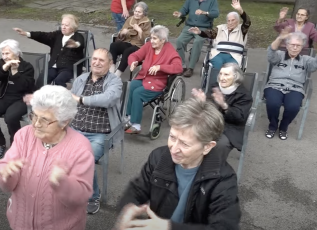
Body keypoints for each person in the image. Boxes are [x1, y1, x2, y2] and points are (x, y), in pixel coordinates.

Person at [115, 98, 241, 230]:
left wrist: (169, 227)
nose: (173, 149)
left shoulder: (223, 178)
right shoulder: (158, 157)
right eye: (172, 137)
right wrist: (128, 207)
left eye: (184, 144)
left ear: (207, 147)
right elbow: (137, 189)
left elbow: (226, 226)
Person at [0, 85, 94, 230]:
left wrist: (62, 182)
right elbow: (4, 177)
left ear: (64, 121)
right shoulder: (24, 135)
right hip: (20, 224)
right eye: (34, 115)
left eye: (45, 120)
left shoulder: (80, 148)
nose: (36, 124)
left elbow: (81, 197)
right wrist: (4, 173)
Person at [70, 48, 123, 214]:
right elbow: (70, 100)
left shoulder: (115, 82)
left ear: (110, 64)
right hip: (74, 129)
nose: (97, 62)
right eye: (94, 59)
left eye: (101, 60)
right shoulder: (81, 79)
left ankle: (92, 196)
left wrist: (81, 99)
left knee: (85, 159)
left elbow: (108, 99)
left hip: (99, 134)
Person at [0, 39, 35, 159]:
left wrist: (15, 72)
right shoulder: (2, 63)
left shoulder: (27, 67)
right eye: (3, 53)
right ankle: (0, 143)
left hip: (21, 98)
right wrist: (4, 68)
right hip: (4, 95)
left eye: (7, 53)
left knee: (11, 117)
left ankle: (16, 145)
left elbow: (25, 86)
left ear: (16, 53)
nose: (4, 56)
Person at [125, 25, 182, 134]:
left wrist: (160, 67)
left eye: (155, 39)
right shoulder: (148, 46)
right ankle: (129, 116)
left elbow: (178, 67)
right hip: (144, 77)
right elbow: (135, 55)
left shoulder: (170, 51)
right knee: (132, 85)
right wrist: (133, 62)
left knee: (138, 93)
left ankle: (136, 125)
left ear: (163, 40)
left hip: (157, 83)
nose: (152, 41)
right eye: (151, 38)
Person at [264, 28, 317, 140]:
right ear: (287, 45)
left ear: (302, 47)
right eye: (292, 44)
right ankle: (273, 126)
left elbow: (314, 65)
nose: (294, 47)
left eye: (298, 45)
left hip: (295, 88)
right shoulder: (278, 55)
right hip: (275, 85)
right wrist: (279, 38)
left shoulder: (305, 60)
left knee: (293, 107)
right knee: (273, 104)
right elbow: (270, 53)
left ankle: (283, 127)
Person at [192, 63, 253, 160]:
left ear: (235, 77)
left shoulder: (244, 95)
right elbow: (208, 110)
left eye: (226, 74)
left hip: (230, 128)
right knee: (191, 135)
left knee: (219, 145)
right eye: (220, 74)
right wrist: (203, 102)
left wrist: (224, 106)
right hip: (210, 123)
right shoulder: (215, 87)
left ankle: (213, 169)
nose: (221, 78)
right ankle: (194, 163)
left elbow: (239, 118)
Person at [14, 14, 85, 88]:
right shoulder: (57, 35)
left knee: (58, 81)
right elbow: (43, 35)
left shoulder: (78, 36)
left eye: (66, 25)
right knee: (42, 79)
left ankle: (63, 95)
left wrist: (75, 44)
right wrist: (27, 34)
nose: (63, 27)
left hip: (68, 68)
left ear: (73, 28)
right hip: (53, 66)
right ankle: (37, 97)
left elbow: (80, 43)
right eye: (62, 24)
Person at [189, 0, 251, 72]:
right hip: (218, 54)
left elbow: (247, 22)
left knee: (230, 70)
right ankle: (215, 82)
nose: (230, 23)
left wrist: (240, 10)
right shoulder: (220, 28)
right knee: (217, 67)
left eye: (233, 20)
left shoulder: (242, 29)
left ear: (238, 21)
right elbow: (210, 34)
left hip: (234, 56)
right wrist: (199, 32)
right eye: (228, 20)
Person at [173, 0, 220, 77]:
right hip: (189, 26)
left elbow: (216, 14)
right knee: (179, 41)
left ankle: (190, 68)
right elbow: (184, 10)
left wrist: (205, 12)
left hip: (204, 28)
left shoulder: (212, 1)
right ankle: (182, 65)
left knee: (197, 42)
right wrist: (180, 13)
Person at [109, 2, 152, 77]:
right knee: (113, 45)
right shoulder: (130, 19)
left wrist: (139, 31)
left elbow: (146, 40)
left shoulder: (147, 22)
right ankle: (111, 70)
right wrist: (123, 33)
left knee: (127, 51)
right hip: (127, 42)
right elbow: (120, 35)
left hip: (138, 45)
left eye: (139, 12)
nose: (136, 13)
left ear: (144, 13)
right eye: (135, 11)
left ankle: (118, 74)